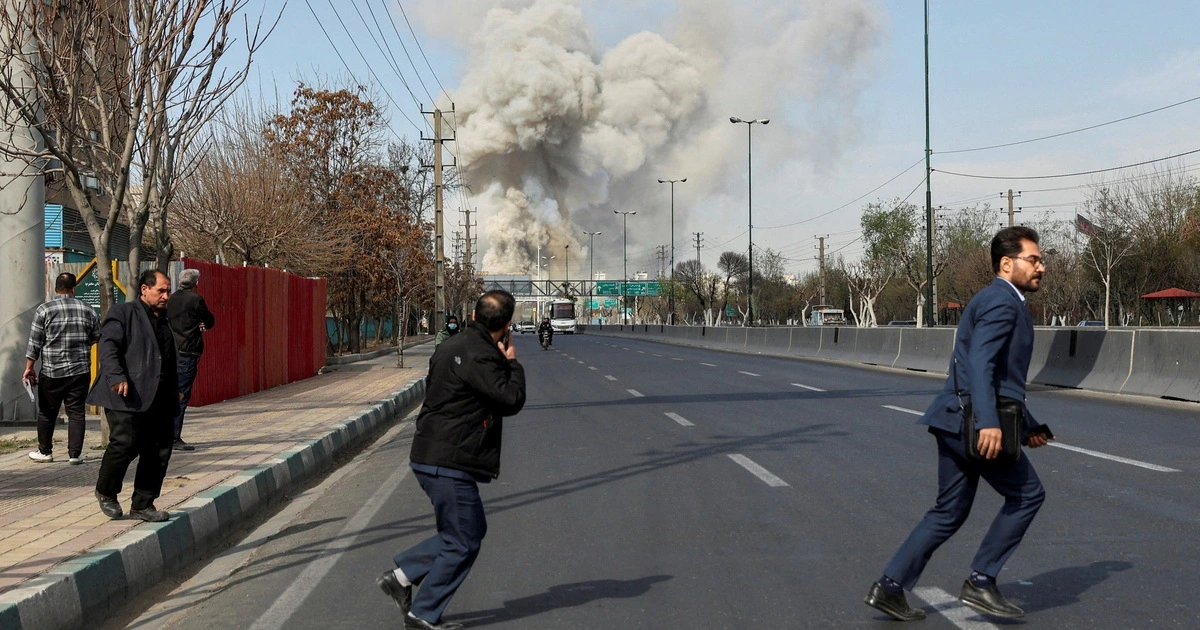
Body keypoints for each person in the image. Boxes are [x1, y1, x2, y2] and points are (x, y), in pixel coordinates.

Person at [865, 226, 1052, 621]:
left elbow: (1000, 379)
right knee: (1027, 495)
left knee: (948, 511)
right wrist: (987, 422)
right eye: (1034, 260)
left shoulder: (993, 298)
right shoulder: (1003, 302)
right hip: (973, 422)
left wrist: (1028, 427)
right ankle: (981, 581)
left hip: (952, 419)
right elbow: (980, 365)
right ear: (1007, 264)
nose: (1042, 267)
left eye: (1041, 260)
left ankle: (890, 586)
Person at [378, 290, 525, 630]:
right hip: (450, 461)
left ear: (473, 316)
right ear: (506, 326)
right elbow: (510, 399)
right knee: (463, 541)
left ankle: (402, 576)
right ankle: (423, 613)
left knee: (468, 531)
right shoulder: (483, 356)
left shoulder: (450, 345)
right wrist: (512, 362)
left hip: (429, 452)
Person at [90, 270, 179, 522]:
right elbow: (108, 346)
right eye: (161, 291)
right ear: (144, 290)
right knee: (125, 443)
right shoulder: (123, 313)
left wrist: (176, 388)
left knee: (159, 451)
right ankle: (106, 492)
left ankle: (143, 503)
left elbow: (166, 356)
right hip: (126, 393)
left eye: (168, 291)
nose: (166, 296)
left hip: (160, 396)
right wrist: (116, 376)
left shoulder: (165, 319)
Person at [23, 272, 101, 464]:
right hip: (80, 371)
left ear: (55, 288)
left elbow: (35, 342)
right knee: (76, 412)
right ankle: (74, 455)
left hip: (52, 371)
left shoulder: (44, 310)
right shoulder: (88, 309)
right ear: (74, 288)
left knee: (47, 412)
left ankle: (45, 451)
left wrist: (29, 367)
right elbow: (96, 336)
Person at [166, 268, 215, 451]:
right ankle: (174, 438)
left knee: (168, 392)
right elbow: (209, 320)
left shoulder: (170, 299)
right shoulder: (195, 300)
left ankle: (164, 436)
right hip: (187, 352)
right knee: (181, 395)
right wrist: (202, 323)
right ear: (196, 283)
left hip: (170, 351)